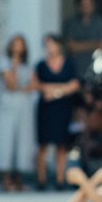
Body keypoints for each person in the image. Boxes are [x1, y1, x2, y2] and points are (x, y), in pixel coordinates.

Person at [0, 35, 37, 192]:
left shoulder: (28, 64)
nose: (18, 47)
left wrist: (22, 87)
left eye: (21, 44)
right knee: (6, 139)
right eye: (15, 44)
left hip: (24, 107)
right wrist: (14, 65)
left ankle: (18, 179)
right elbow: (11, 84)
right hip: (8, 107)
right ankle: (6, 178)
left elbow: (33, 85)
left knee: (22, 141)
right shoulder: (5, 63)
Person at [33, 34, 80, 190]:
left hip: (62, 108)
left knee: (61, 144)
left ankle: (60, 179)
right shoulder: (41, 65)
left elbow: (75, 85)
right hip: (46, 109)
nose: (50, 48)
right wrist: (61, 88)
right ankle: (41, 179)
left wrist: (55, 92)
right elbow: (36, 85)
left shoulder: (69, 64)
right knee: (43, 144)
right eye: (47, 45)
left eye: (52, 44)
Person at [62, 0, 102, 98]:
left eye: (89, 4)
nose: (86, 7)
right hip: (75, 70)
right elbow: (71, 47)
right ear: (78, 6)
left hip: (96, 72)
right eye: (84, 4)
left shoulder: (99, 22)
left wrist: (80, 45)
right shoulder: (72, 23)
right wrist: (94, 44)